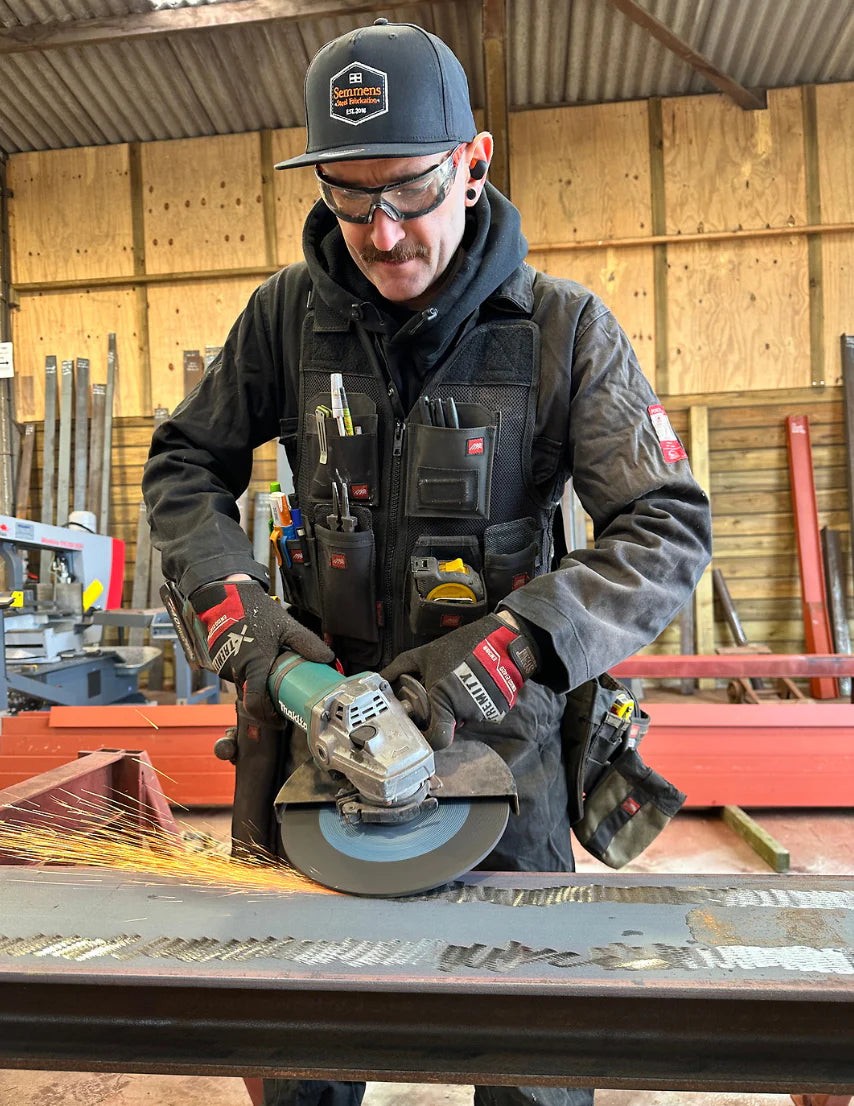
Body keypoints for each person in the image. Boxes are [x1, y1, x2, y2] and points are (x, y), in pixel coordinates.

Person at [142, 18, 712, 1106]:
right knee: (299, 1049)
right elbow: (183, 465)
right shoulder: (281, 319)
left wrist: (507, 649)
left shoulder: (561, 332)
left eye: (407, 189)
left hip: (500, 745)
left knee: (528, 1059)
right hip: (315, 741)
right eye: (347, 198)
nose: (380, 230)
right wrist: (252, 629)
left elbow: (663, 527)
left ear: (473, 161)